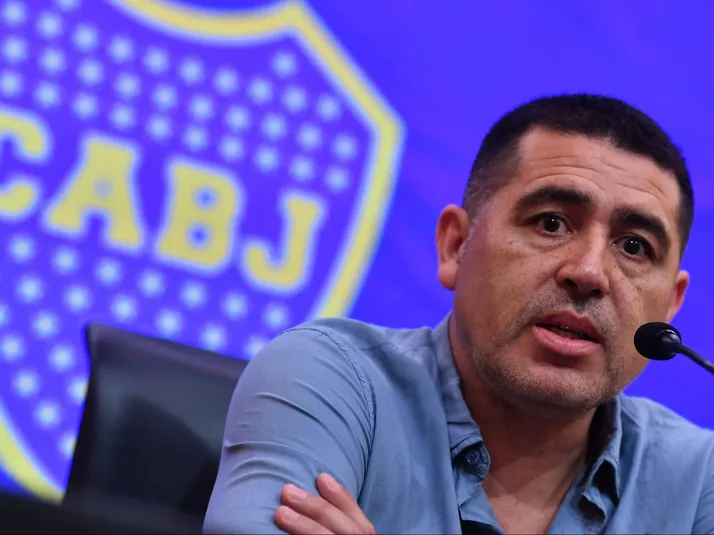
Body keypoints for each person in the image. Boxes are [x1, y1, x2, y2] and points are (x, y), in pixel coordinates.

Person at [203, 94, 714, 535]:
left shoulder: (698, 480)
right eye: (551, 223)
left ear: (671, 304)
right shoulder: (332, 381)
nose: (588, 272)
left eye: (634, 246)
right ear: (455, 246)